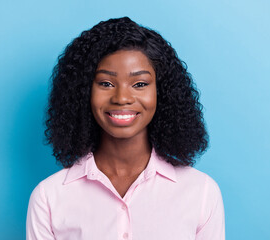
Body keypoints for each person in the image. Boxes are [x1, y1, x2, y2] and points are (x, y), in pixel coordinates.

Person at [26, 17, 225, 240]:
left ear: (162, 92)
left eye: (140, 84)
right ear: (83, 92)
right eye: (106, 83)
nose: (122, 98)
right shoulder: (49, 198)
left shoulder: (201, 192)